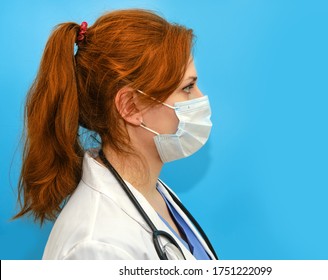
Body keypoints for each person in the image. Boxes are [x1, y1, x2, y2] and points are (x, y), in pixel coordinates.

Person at [14, 9, 218, 260]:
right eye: (187, 88)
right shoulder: (97, 246)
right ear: (130, 107)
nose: (201, 99)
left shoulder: (150, 193)